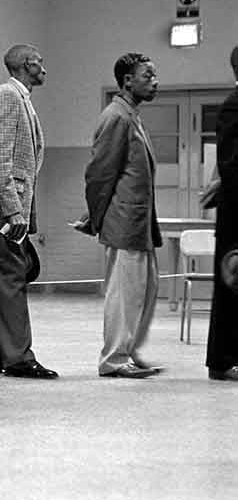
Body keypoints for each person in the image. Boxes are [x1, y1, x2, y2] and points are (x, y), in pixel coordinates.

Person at [0, 44, 57, 379]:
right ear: (27, 64)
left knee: (5, 281)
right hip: (1, 210)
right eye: (40, 61)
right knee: (12, 279)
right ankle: (18, 358)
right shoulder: (7, 97)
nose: (44, 67)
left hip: (6, 207)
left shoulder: (20, 98)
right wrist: (13, 211)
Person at [83, 53, 162, 379]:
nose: (155, 81)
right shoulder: (117, 117)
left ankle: (129, 350)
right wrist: (96, 218)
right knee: (124, 294)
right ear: (128, 80)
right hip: (124, 221)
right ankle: (114, 359)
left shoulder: (132, 115)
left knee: (146, 289)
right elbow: (99, 174)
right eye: (148, 75)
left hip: (140, 222)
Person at [207, 45, 238, 381]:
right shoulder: (233, 106)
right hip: (235, 216)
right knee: (230, 290)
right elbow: (231, 165)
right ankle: (221, 361)